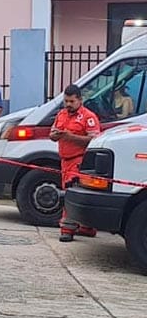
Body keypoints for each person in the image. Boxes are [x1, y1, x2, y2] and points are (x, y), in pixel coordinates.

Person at [50, 84, 100, 242]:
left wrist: (70, 137)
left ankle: (67, 229)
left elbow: (95, 140)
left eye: (72, 101)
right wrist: (56, 135)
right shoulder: (61, 115)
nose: (68, 104)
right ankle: (87, 227)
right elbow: (52, 134)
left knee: (70, 193)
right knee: (75, 194)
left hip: (79, 160)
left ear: (80, 100)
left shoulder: (88, 117)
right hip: (64, 160)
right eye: (66, 101)